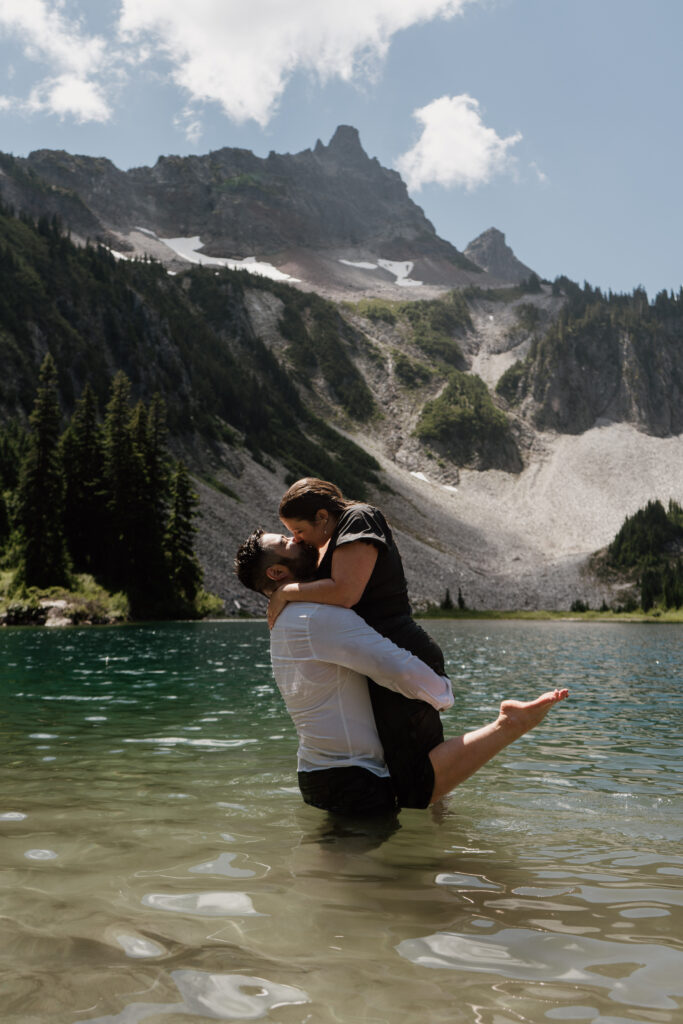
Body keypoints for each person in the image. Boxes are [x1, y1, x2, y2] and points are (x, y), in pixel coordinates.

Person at [234, 529, 568, 818]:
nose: (296, 538)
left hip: (322, 774)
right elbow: (394, 668)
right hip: (353, 779)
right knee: (385, 880)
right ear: (278, 572)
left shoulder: (289, 620)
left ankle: (508, 725)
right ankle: (509, 725)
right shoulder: (315, 618)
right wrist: (443, 694)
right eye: (285, 541)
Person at [268, 478, 448, 810]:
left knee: (420, 775)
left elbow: (345, 593)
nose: (296, 538)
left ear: (322, 517)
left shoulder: (359, 518)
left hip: (401, 651)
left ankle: (443, 843)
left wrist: (285, 592)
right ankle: (428, 851)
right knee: (406, 777)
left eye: (298, 529)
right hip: (381, 655)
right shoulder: (335, 535)